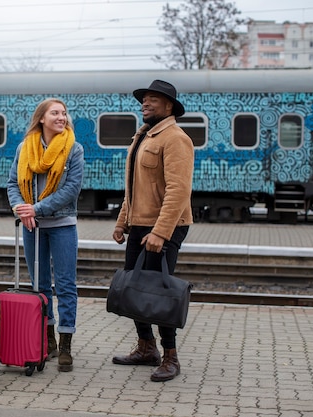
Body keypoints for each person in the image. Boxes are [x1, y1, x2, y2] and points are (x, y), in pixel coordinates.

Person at [111, 79, 194, 382]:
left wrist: (161, 232)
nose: (145, 103)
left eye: (153, 100)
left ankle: (170, 355)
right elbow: (134, 188)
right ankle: (146, 347)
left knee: (157, 291)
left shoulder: (175, 138)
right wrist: (123, 221)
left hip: (166, 225)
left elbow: (178, 190)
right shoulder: (144, 136)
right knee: (133, 289)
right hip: (140, 224)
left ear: (169, 106)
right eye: (144, 100)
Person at [6, 98, 84, 372]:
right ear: (41, 118)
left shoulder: (74, 149)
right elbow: (13, 183)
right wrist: (21, 209)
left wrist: (35, 208)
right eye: (55, 113)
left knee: (65, 286)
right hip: (32, 226)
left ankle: (65, 345)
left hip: (62, 225)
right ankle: (47, 341)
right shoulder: (24, 148)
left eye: (64, 113)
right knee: (40, 286)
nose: (61, 117)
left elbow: (71, 190)